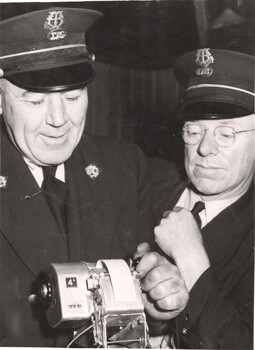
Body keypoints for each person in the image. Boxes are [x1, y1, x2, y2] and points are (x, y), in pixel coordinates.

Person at [0, 6, 189, 347]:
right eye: (35, 101)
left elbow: (137, 318)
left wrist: (157, 312)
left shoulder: (124, 167)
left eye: (73, 96)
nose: (59, 119)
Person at [138, 48, 254, 349]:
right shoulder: (144, 184)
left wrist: (190, 255)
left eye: (226, 134)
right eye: (194, 131)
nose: (205, 149)